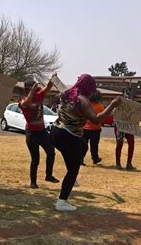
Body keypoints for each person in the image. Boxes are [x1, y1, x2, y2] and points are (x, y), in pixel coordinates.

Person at [51, 74, 120, 211]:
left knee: (83, 146)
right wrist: (112, 105)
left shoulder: (65, 94)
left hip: (56, 131)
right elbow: (96, 119)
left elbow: (56, 97)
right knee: (73, 169)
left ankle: (72, 174)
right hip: (70, 135)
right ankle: (62, 202)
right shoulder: (82, 100)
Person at [19, 78, 59, 188]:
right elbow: (25, 104)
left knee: (51, 152)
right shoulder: (23, 99)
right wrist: (32, 91)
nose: (38, 89)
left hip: (41, 131)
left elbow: (48, 87)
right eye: (34, 88)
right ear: (28, 89)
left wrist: (53, 78)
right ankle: (33, 182)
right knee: (35, 159)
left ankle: (48, 175)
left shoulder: (40, 95)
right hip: (31, 133)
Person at [81, 90, 104, 165]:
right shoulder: (100, 106)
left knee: (83, 145)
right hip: (95, 129)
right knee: (94, 145)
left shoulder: (87, 104)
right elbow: (102, 117)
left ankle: (80, 159)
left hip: (85, 128)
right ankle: (95, 158)